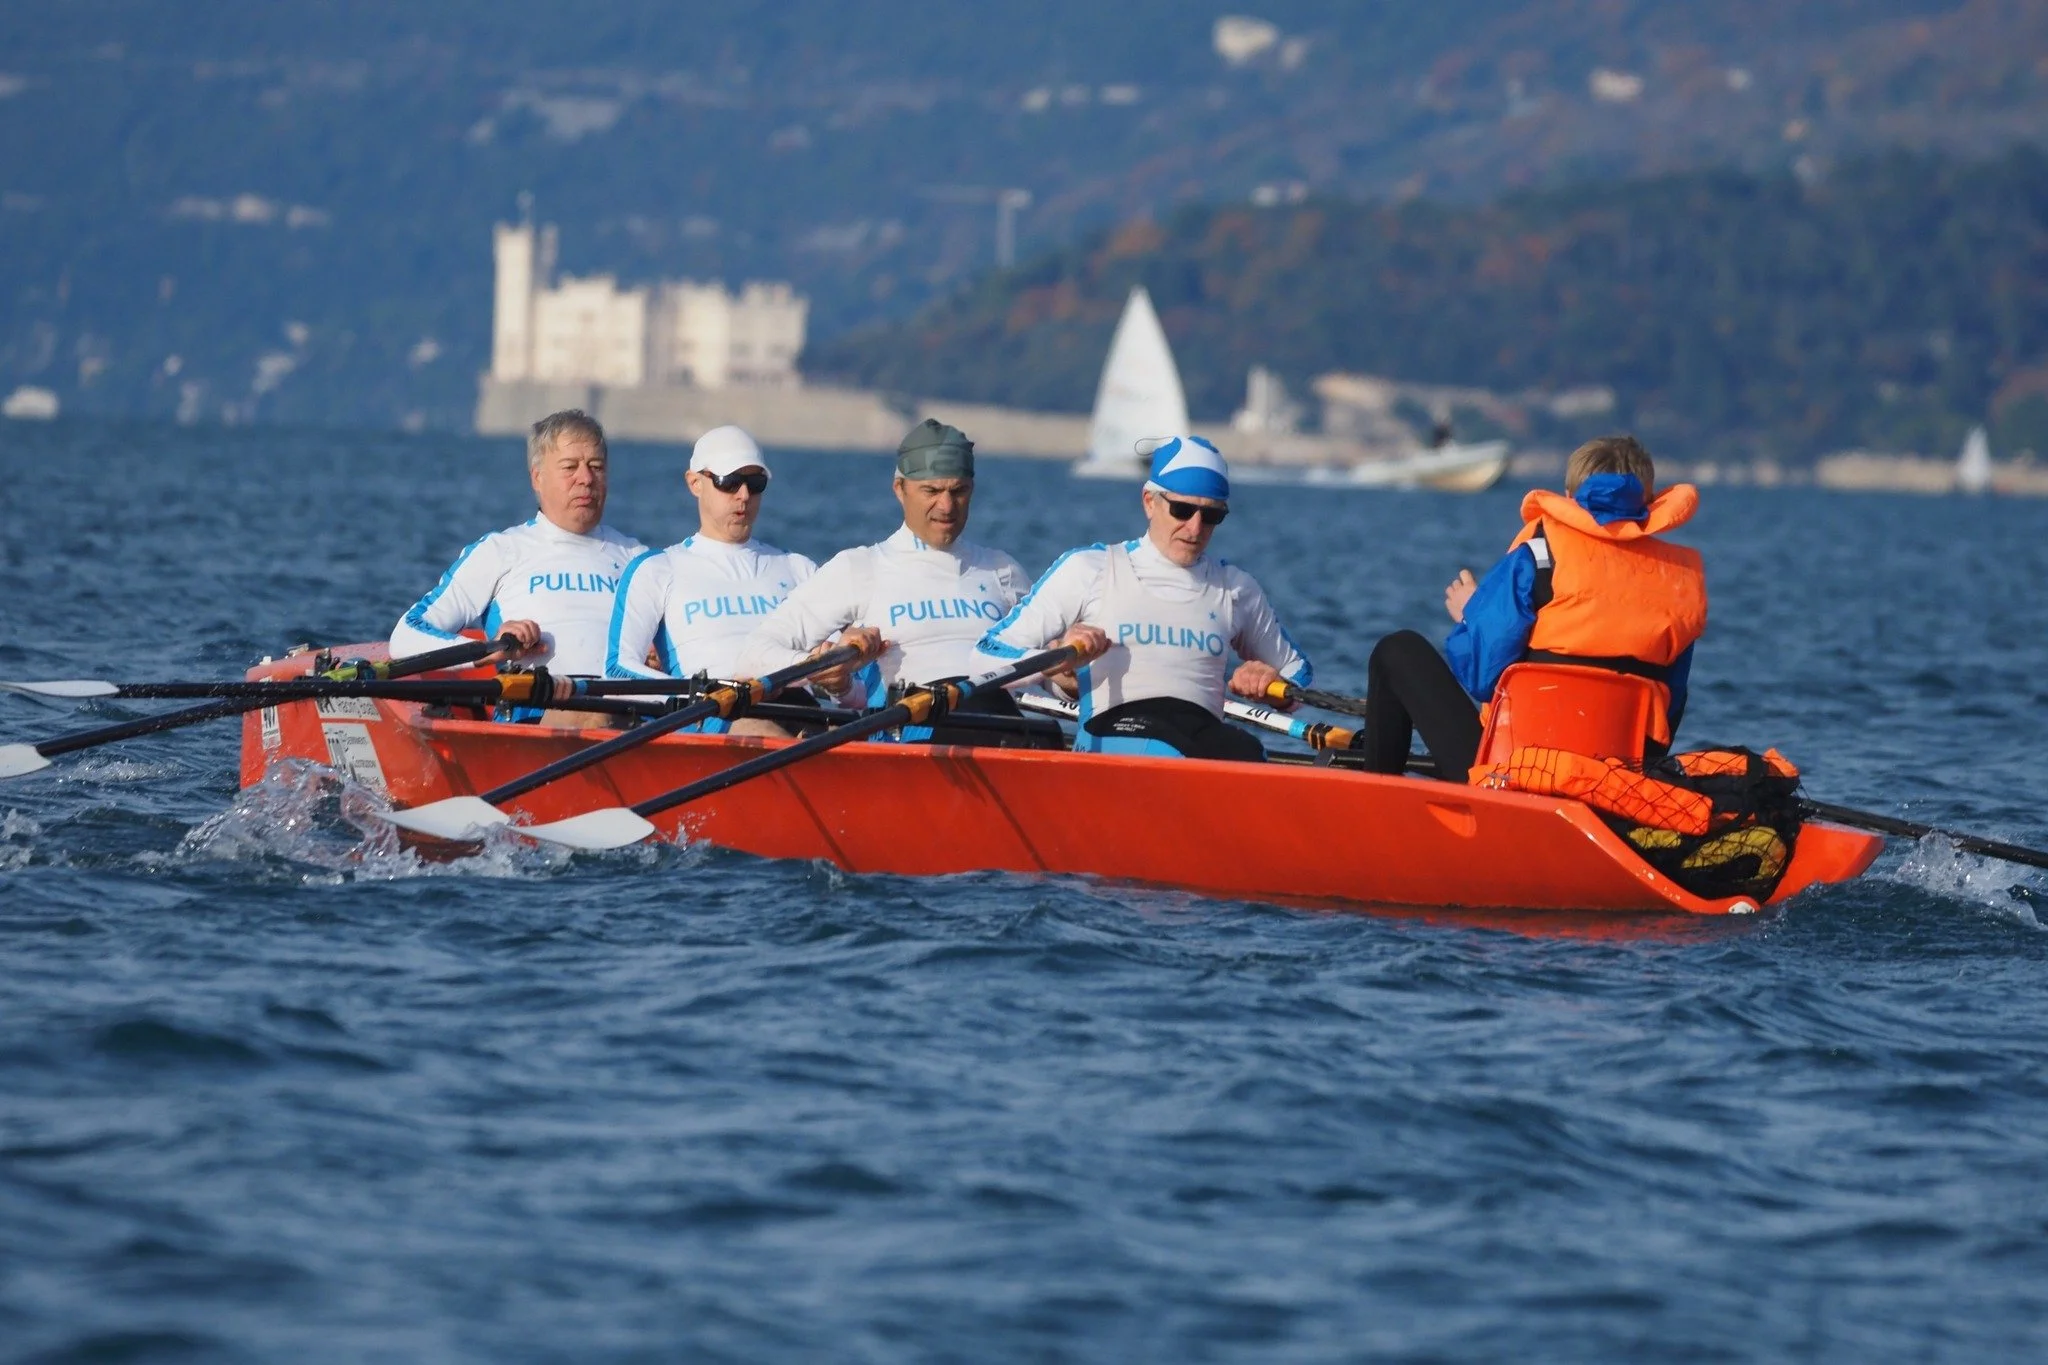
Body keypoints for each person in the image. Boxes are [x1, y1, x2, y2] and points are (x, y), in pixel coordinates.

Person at [1355, 434, 1706, 778]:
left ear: (1569, 496)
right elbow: (1670, 710)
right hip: (1615, 783)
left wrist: (1471, 615)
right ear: (1649, 503)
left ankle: (1375, 800)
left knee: (1396, 651)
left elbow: (1482, 678)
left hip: (1509, 773)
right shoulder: (1680, 581)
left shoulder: (1538, 557)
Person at [974, 435, 1310, 761]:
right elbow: (986, 655)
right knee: (1177, 746)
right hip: (1116, 733)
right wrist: (1055, 660)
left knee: (1247, 750)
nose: (1195, 528)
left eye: (1211, 516)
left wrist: (1272, 684)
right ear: (1150, 501)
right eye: (1182, 510)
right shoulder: (1090, 568)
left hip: (1200, 739)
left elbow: (1299, 674)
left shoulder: (1236, 588)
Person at [735, 418, 1037, 746]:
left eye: (958, 491)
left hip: (1003, 725)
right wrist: (817, 667)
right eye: (932, 491)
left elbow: (1052, 677)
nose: (947, 506)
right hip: (913, 733)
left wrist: (1067, 678)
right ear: (900, 489)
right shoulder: (861, 568)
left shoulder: (1003, 570)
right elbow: (754, 654)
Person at [391, 409, 645, 711]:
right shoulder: (501, 551)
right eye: (570, 467)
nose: (586, 479)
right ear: (537, 478)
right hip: (537, 716)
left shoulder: (639, 559)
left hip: (633, 714)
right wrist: (488, 651)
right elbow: (406, 636)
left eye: (596, 466)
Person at [603, 426, 817, 733]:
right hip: (715, 719)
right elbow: (618, 669)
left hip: (801, 711)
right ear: (695, 483)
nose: (744, 495)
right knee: (758, 730)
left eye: (755, 483)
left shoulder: (799, 569)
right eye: (729, 482)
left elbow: (854, 686)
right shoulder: (657, 568)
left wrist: (841, 679)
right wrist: (704, 694)